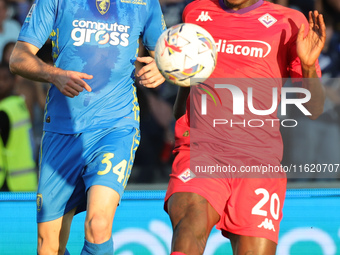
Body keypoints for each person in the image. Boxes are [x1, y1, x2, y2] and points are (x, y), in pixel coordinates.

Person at [164, 0, 326, 254]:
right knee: (190, 225)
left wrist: (307, 67)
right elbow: (188, 78)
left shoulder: (290, 22)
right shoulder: (195, 11)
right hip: (202, 150)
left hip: (259, 161)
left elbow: (314, 109)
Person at [9, 0, 166, 254]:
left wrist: (162, 68)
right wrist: (53, 74)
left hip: (115, 125)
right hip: (62, 128)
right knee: (48, 244)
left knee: (98, 223)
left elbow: (168, 55)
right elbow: (18, 57)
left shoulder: (144, 2)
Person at [0, 62, 37, 191]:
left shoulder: (4, 110)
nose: (1, 84)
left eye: (5, 79)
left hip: (7, 182)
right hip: (26, 181)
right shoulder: (20, 104)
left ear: (15, 81)